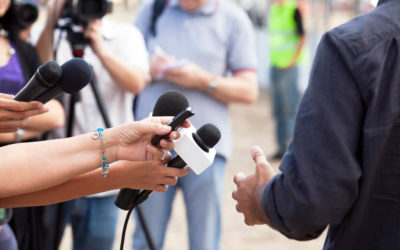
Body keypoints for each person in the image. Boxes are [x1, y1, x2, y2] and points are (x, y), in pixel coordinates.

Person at [232, 0, 400, 249]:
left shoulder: (353, 47)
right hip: (278, 64)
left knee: (287, 111)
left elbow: (311, 202)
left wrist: (261, 198)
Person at [133, 0, 258, 249]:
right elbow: (129, 69)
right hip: (152, 146)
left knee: (204, 240)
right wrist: (149, 69)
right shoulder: (151, 10)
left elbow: (249, 90)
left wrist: (202, 80)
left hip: (206, 152)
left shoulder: (234, 19)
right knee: (145, 239)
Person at [35, 0, 150, 248]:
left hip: (105, 175)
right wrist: (50, 21)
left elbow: (137, 83)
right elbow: (38, 74)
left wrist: (100, 50)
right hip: (57, 170)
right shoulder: (57, 34)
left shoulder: (126, 35)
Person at [267, 0, 305, 160]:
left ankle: (292, 149)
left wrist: (292, 61)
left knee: (289, 108)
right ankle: (281, 147)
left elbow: (302, 37)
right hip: (275, 64)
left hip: (288, 67)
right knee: (278, 109)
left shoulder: (293, 9)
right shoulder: (274, 10)